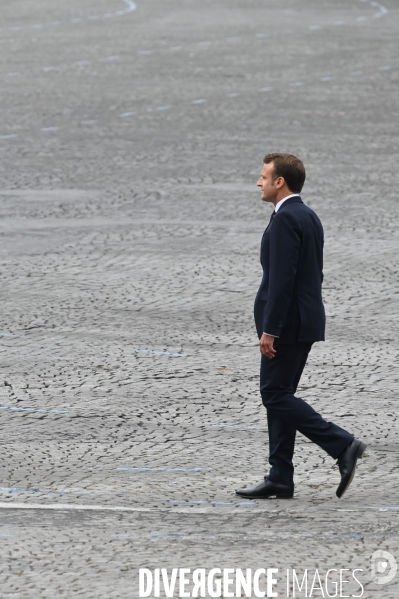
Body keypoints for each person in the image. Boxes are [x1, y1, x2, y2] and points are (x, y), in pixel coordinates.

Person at [236, 153, 366, 500]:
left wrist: (270, 329)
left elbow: (282, 282)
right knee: (281, 396)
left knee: (274, 395)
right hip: (303, 321)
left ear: (280, 182)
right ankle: (280, 476)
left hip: (287, 326)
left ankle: (343, 445)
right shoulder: (307, 215)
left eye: (264, 177)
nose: (259, 182)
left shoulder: (285, 220)